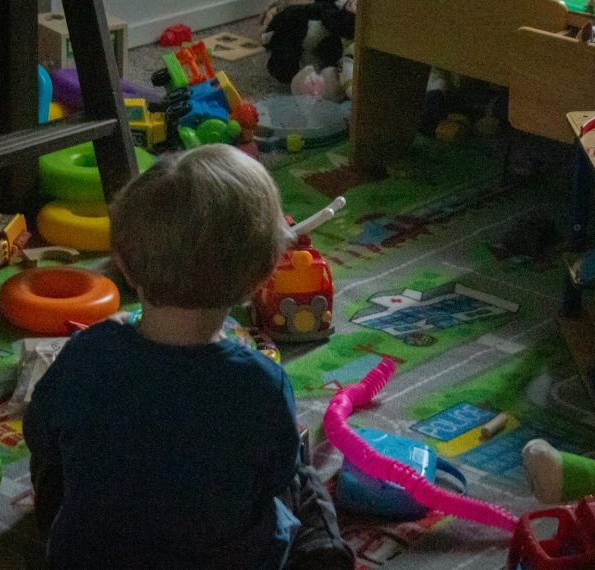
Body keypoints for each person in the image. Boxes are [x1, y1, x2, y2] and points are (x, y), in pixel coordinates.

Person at [24, 144, 353, 569]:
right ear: (260, 278)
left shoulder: (85, 354)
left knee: (58, 459)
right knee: (300, 473)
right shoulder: (261, 382)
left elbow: (40, 436)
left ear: (122, 263)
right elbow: (275, 477)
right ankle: (319, 552)